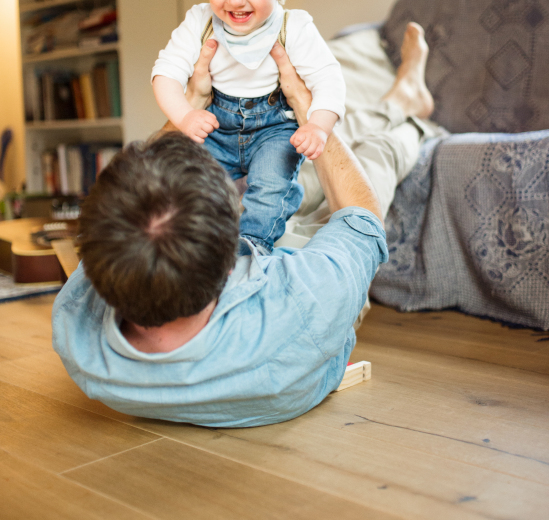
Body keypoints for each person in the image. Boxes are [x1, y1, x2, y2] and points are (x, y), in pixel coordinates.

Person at [52, 24, 437, 428]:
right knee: (373, 157)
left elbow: (130, 196)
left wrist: (190, 106)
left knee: (294, 164)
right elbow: (363, 218)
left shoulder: (76, 330)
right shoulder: (307, 299)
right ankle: (408, 107)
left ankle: (397, 99)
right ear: (231, 254)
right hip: (302, 308)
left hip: (241, 286)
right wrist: (307, 110)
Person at [151, 0, 345, 255]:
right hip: (216, 125)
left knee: (270, 183)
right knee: (186, 184)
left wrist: (318, 125)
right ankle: (200, 245)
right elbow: (165, 74)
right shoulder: (200, 21)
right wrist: (185, 115)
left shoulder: (294, 26)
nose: (235, 0)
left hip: (274, 128)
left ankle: (250, 246)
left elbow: (329, 80)